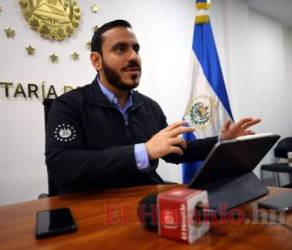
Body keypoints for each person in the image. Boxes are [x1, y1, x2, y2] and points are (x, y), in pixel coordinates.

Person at [45, 20, 260, 195]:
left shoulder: (149, 107)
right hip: (94, 209)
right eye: (120, 49)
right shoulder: (68, 105)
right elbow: (63, 166)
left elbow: (175, 152)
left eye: (135, 49)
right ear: (96, 61)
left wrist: (221, 141)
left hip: (148, 202)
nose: (133, 57)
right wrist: (144, 151)